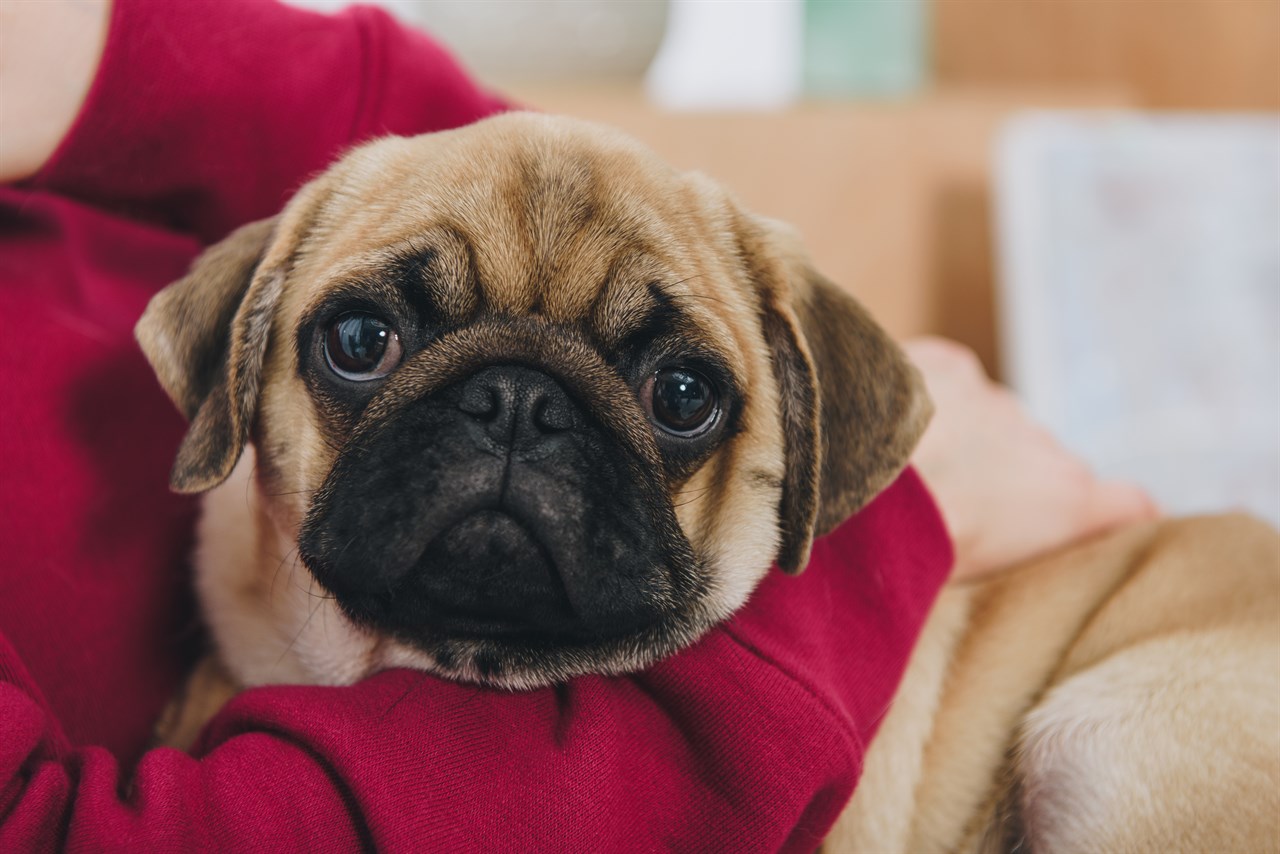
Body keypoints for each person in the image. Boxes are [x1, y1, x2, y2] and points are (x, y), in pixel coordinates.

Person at [0, 0, 1153, 850]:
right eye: (364, 345)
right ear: (229, 377)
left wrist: (99, 56)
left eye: (674, 396)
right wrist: (891, 539)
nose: (513, 421)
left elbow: (475, 165)